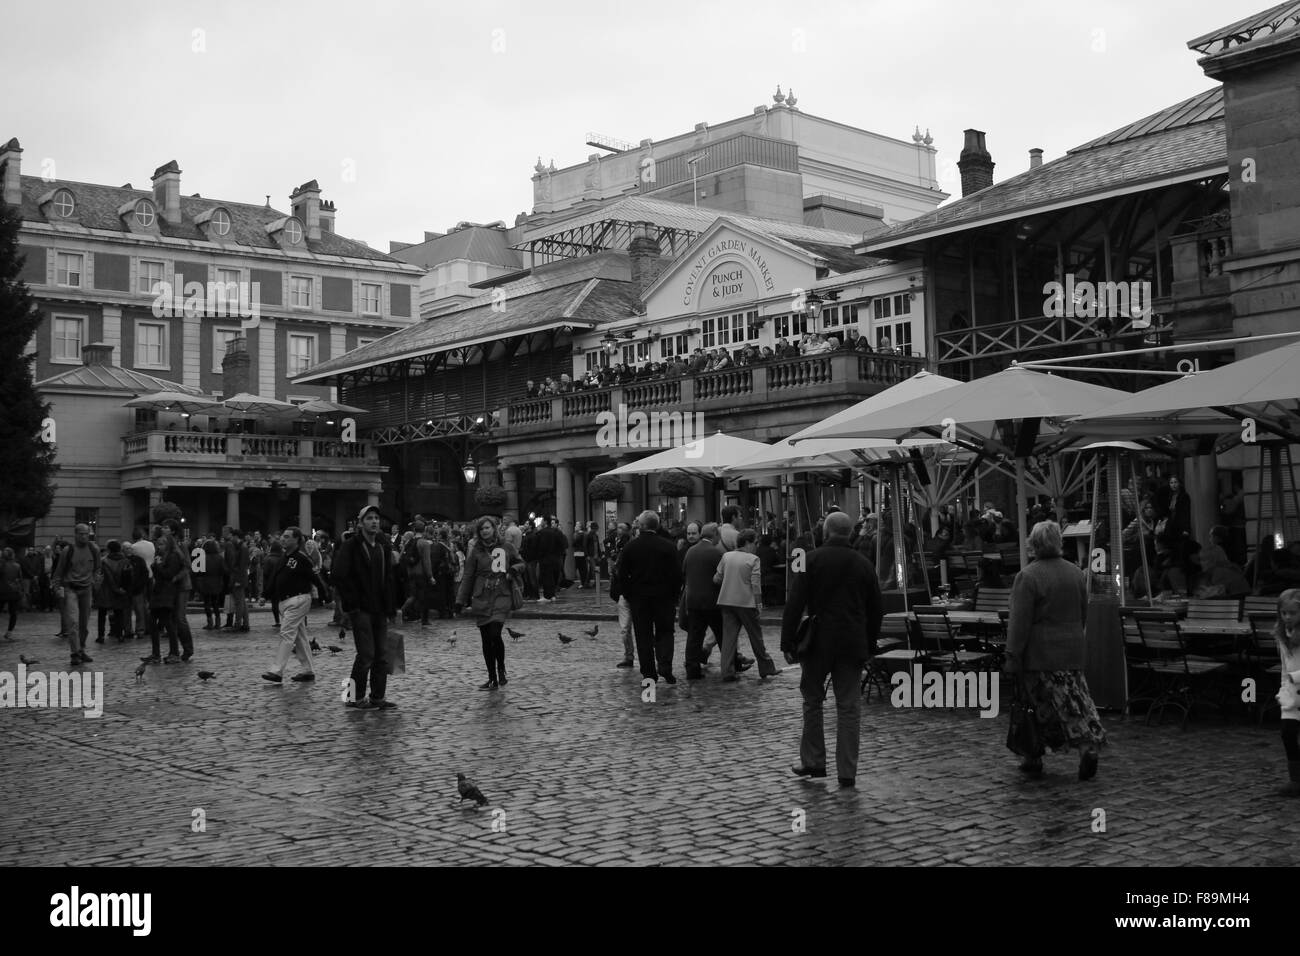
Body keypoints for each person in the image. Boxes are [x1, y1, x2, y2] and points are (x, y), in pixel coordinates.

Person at [781, 511, 882, 788]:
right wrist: (870, 643)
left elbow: (794, 602)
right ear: (850, 533)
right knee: (849, 706)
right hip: (852, 642)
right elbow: (876, 609)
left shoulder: (810, 561)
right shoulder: (863, 564)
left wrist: (787, 641)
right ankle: (847, 770)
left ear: (825, 532)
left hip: (818, 641)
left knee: (812, 701)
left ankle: (813, 761)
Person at [1004, 521, 1106, 780]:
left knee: (1037, 707)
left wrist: (1012, 655)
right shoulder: (1075, 573)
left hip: (1040, 655)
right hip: (1072, 650)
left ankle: (1032, 755)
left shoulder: (1028, 577)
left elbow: (1019, 623)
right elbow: (1083, 612)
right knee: (1076, 701)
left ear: (1034, 544)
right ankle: (1086, 746)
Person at [333, 505, 398, 709]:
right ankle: (353, 696)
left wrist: (391, 606)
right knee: (366, 655)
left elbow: (389, 578)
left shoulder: (382, 546)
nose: (374, 522)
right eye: (369, 518)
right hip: (360, 608)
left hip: (380, 608)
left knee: (382, 655)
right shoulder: (351, 546)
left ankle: (378, 697)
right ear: (361, 523)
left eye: (376, 518)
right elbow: (339, 575)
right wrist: (351, 602)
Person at [456, 516, 526, 690]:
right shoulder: (476, 552)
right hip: (482, 596)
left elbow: (521, 563)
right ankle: (492, 677)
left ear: (494, 528)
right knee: (486, 639)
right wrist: (460, 600)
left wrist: (513, 569)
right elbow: (468, 576)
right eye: (482, 529)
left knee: (495, 633)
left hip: (501, 594)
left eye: (487, 527)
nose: (485, 531)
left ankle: (501, 669)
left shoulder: (506, 547)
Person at [617, 511, 682, 683]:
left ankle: (648, 672)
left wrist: (629, 595)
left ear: (641, 526)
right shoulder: (668, 546)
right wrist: (674, 596)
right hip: (664, 598)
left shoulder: (631, 547)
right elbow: (677, 575)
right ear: (657, 526)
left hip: (640, 599)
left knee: (643, 636)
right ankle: (665, 665)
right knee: (666, 632)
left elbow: (622, 574)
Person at [714, 529, 781, 682]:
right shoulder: (753, 559)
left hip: (726, 601)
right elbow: (756, 585)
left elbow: (717, 578)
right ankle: (766, 667)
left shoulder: (726, 556)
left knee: (729, 638)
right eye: (755, 543)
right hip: (746, 602)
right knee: (756, 637)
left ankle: (727, 671)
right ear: (748, 543)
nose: (756, 546)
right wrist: (759, 604)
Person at [262, 526, 325, 684]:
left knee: (287, 633)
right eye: (283, 536)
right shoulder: (284, 557)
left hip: (298, 600)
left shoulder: (302, 558)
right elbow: (275, 578)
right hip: (286, 602)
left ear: (296, 540)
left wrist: (325, 593)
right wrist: (265, 595)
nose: (283, 539)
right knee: (299, 637)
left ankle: (277, 671)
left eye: (287, 536)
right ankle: (308, 670)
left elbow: (314, 577)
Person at [51, 523, 101, 666]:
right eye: (81, 534)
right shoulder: (68, 550)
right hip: (70, 588)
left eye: (86, 534)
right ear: (76, 534)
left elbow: (98, 568)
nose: (84, 536)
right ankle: (74, 652)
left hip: (86, 589)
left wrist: (96, 581)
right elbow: (59, 572)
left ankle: (81, 649)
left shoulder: (94, 549)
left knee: (84, 624)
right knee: (73, 622)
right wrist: (57, 588)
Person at [682, 522, 725, 680]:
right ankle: (730, 665)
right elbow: (721, 576)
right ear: (714, 535)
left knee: (694, 636)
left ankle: (692, 668)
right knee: (721, 634)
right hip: (712, 601)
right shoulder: (716, 553)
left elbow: (684, 572)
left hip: (693, 600)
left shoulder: (690, 552)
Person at [1272, 590, 1300, 796]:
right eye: (1284, 613)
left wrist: (1294, 677)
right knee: (1288, 734)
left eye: (1292, 613)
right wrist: (1283, 689)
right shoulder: (1282, 635)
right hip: (1292, 696)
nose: (1288, 617)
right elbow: (1284, 667)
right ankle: (1295, 780)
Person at [143, 533, 185, 665]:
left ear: (168, 545)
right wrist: (155, 566)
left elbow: (168, 574)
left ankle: (174, 653)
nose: (158, 546)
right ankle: (156, 654)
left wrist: (157, 566)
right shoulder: (161, 556)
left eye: (161, 544)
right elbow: (158, 573)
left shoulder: (173, 556)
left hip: (166, 592)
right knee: (152, 622)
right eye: (158, 544)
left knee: (167, 622)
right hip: (158, 592)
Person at [93, 540, 131, 644]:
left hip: (105, 590)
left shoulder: (103, 561)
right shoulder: (125, 561)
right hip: (120, 590)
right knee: (119, 614)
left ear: (108, 549)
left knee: (102, 614)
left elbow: (99, 577)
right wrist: (123, 589)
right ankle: (120, 635)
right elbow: (128, 577)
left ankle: (101, 636)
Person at [197, 539, 226, 628]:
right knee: (215, 603)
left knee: (207, 603)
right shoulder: (220, 558)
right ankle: (218, 622)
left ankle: (210, 622)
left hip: (205, 582)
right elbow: (223, 571)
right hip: (217, 582)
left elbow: (198, 572)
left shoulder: (202, 558)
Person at [0, 547, 23, 641]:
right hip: (14, 592)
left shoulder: (1, 565)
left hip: (1, 591)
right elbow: (20, 579)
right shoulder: (17, 566)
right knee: (13, 613)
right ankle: (9, 633)